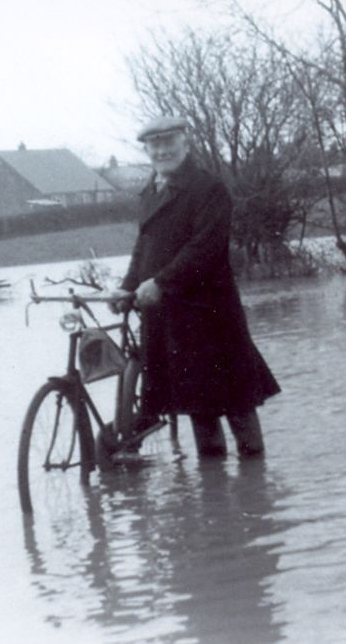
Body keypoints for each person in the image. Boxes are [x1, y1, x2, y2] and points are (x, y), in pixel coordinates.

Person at [110, 115, 280, 458]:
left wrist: (160, 282)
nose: (162, 151)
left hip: (210, 313)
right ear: (147, 150)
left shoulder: (208, 188)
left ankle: (253, 491)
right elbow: (144, 247)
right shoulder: (150, 192)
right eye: (154, 145)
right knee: (198, 408)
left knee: (237, 403)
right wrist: (127, 287)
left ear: (185, 144)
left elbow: (205, 248)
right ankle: (214, 485)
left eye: (169, 142)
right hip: (168, 315)